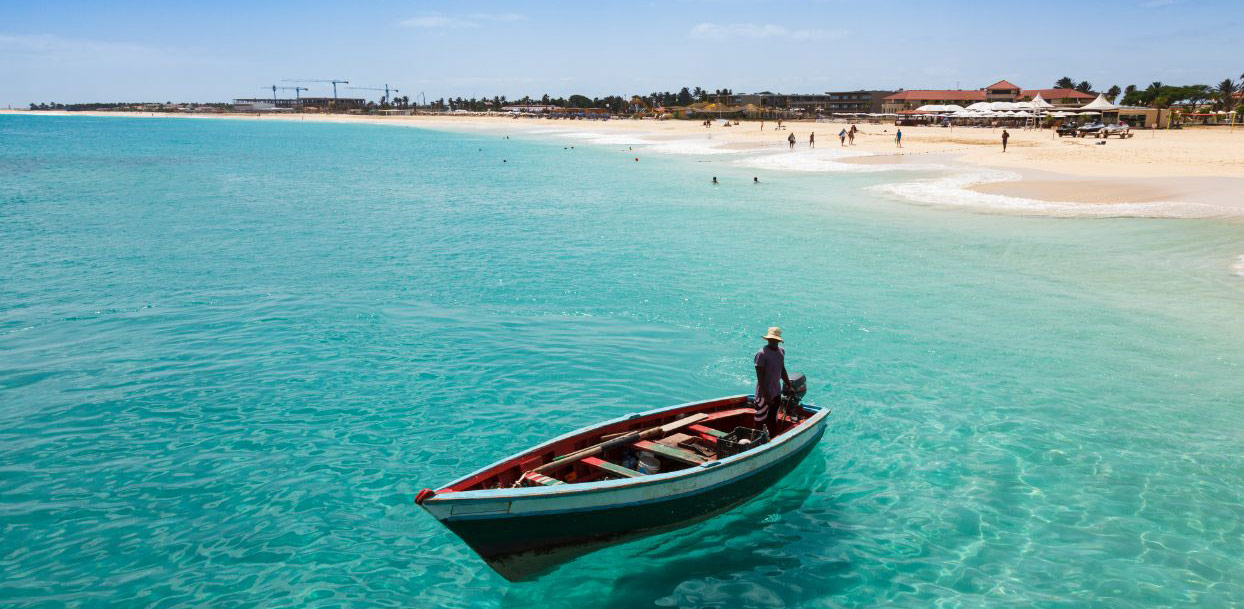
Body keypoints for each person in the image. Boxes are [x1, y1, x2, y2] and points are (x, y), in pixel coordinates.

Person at [754, 327, 791, 435]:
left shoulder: (781, 352)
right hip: (763, 394)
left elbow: (782, 369)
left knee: (773, 418)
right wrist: (766, 395)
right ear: (768, 340)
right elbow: (760, 379)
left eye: (776, 340)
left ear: (779, 341)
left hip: (776, 392)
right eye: (771, 340)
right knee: (760, 420)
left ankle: (773, 439)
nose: (773, 342)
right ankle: (757, 441)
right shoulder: (761, 354)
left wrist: (789, 385)